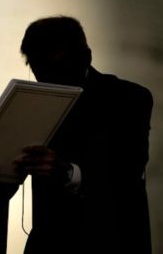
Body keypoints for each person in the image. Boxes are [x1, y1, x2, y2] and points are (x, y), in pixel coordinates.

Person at [15, 16, 153, 254]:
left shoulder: (130, 98)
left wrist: (68, 172)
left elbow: (128, 170)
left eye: (59, 71)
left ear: (87, 58)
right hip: (50, 243)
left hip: (113, 239)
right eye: (40, 71)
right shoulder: (29, 105)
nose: (52, 84)